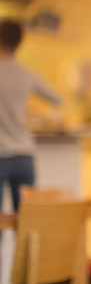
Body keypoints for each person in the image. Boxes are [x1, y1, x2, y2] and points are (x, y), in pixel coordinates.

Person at [0, 19, 62, 211]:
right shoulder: (27, 74)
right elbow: (57, 99)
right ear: (20, 43)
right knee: (27, 221)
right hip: (24, 156)